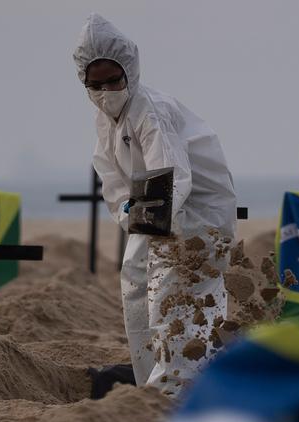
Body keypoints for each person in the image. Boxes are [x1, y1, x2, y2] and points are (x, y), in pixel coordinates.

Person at [73, 13, 238, 396]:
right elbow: (111, 177)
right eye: (94, 84)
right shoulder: (106, 120)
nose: (105, 91)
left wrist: (150, 220)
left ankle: (177, 390)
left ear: (129, 71)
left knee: (176, 299)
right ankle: (153, 385)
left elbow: (172, 176)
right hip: (156, 212)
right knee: (138, 288)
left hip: (197, 216)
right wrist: (127, 212)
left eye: (112, 80)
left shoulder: (151, 111)